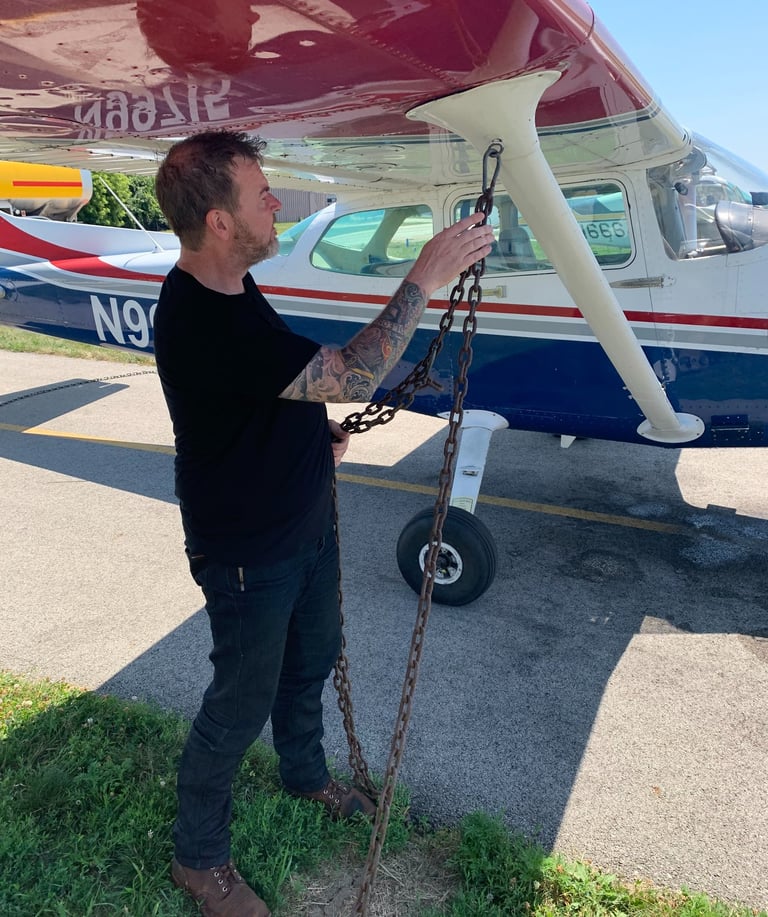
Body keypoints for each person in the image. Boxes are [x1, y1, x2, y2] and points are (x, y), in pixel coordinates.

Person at [153, 129, 493, 917]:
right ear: (220, 223)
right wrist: (425, 275)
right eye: (260, 193)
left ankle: (303, 772)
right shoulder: (207, 318)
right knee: (240, 700)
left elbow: (271, 392)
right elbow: (357, 372)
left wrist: (314, 435)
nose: (277, 202)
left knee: (312, 658)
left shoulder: (233, 287)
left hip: (301, 517)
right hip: (247, 548)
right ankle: (198, 859)